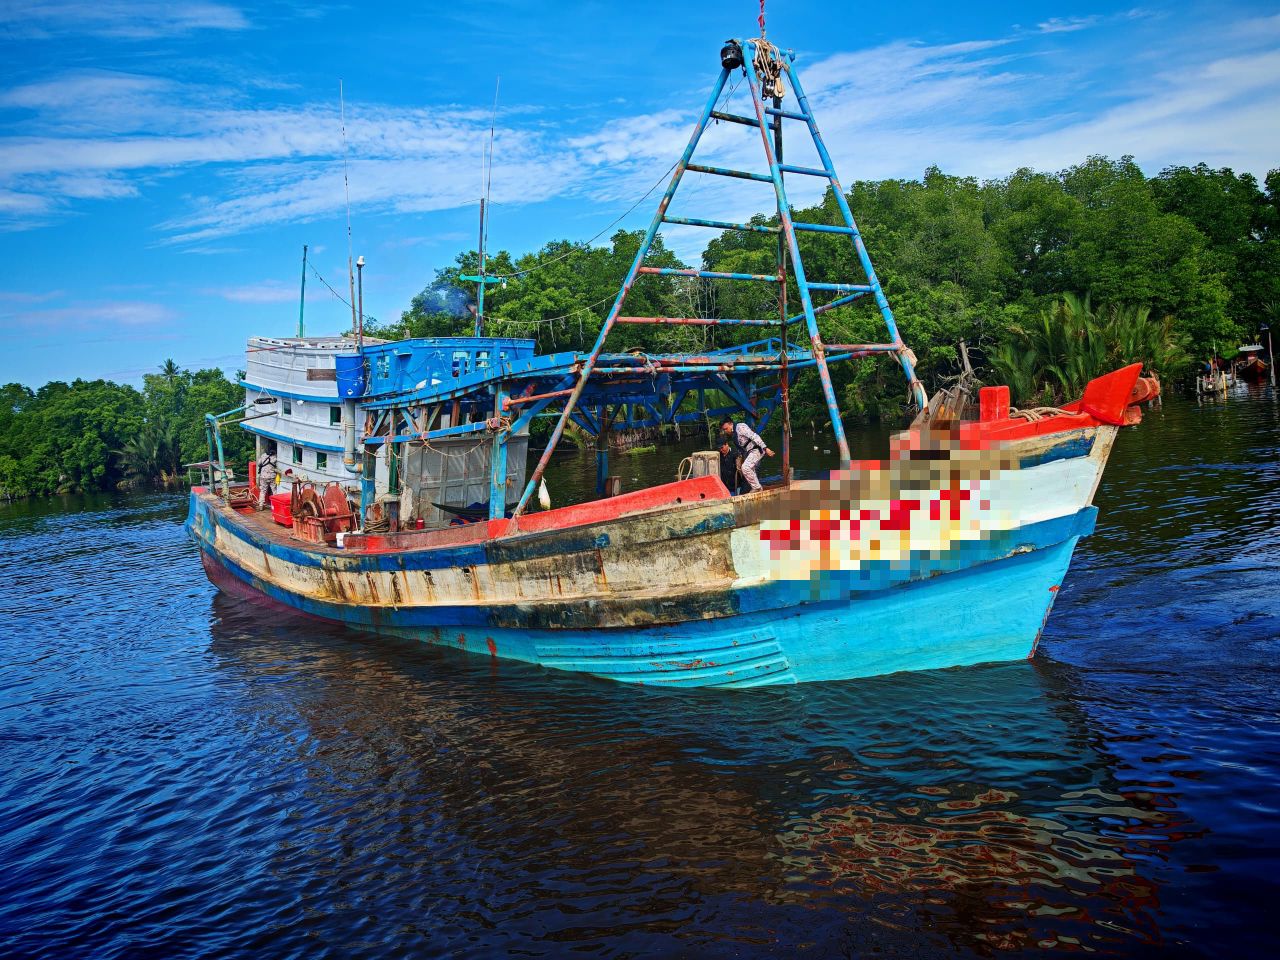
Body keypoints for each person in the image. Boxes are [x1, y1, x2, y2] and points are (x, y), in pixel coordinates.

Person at [721, 418, 774, 492]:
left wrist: (765, 448)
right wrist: (740, 459)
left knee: (745, 467)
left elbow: (754, 436)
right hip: (748, 453)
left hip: (756, 449)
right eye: (724, 429)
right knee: (750, 470)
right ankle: (759, 488)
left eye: (726, 429)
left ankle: (757, 487)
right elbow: (740, 448)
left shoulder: (740, 427)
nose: (725, 431)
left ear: (730, 424)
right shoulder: (733, 434)